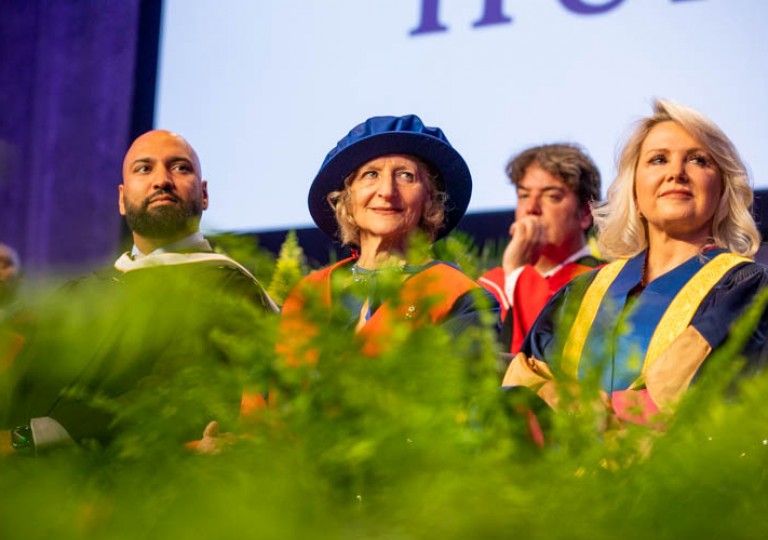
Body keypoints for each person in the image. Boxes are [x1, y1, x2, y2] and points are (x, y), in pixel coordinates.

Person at [4, 130, 278, 454]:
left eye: (180, 168)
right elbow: (24, 391)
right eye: (144, 169)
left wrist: (26, 440)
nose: (162, 180)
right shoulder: (84, 292)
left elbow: (160, 400)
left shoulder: (227, 287)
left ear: (204, 195)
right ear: (121, 199)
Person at [502, 99, 768, 428]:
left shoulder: (743, 287)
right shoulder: (582, 292)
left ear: (722, 188)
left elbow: (703, 395)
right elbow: (525, 379)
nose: (676, 173)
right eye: (658, 159)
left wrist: (590, 411)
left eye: (699, 160)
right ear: (634, 190)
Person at [278, 114, 498, 362]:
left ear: (431, 199)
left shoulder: (459, 297)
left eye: (406, 176)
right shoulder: (309, 294)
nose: (386, 192)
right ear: (346, 199)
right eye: (370, 174)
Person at [478, 144, 603, 354]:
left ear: (585, 214)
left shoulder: (603, 281)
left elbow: (551, 352)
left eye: (551, 196)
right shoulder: (491, 285)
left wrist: (518, 272)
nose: (531, 208)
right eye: (524, 195)